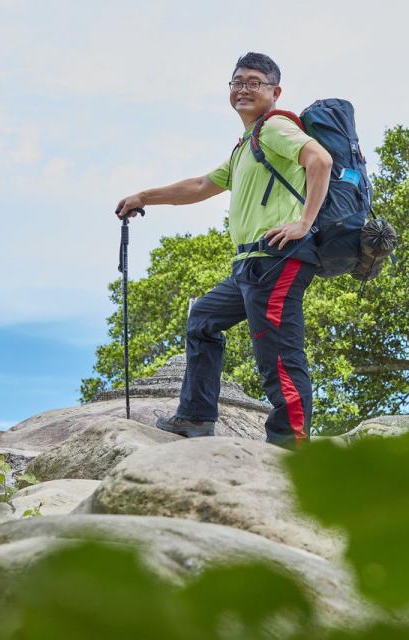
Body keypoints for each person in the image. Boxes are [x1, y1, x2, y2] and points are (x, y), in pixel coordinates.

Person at [115, 52, 332, 449]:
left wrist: (304, 223)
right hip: (249, 265)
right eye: (237, 82)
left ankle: (290, 445)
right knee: (203, 318)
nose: (243, 89)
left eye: (254, 82)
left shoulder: (275, 128)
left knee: (278, 355)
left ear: (275, 91)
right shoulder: (245, 146)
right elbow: (200, 186)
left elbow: (320, 159)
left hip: (277, 257)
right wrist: (143, 195)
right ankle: (196, 417)